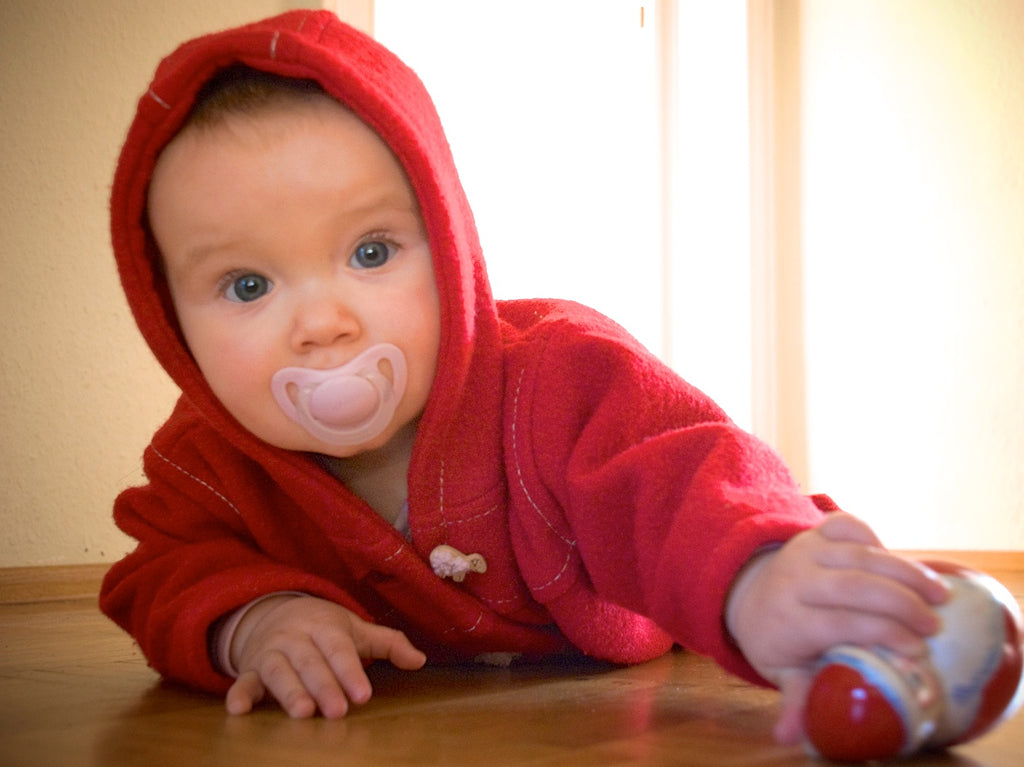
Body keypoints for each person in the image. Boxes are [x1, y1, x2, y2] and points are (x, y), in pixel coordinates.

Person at [100, 9, 948, 744]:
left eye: (372, 252)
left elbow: (676, 472)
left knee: (752, 558)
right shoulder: (203, 461)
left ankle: (803, 580)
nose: (323, 323)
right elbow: (163, 569)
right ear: (169, 317)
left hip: (659, 616)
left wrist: (756, 576)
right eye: (247, 286)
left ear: (450, 237)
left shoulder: (557, 373)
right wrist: (254, 619)